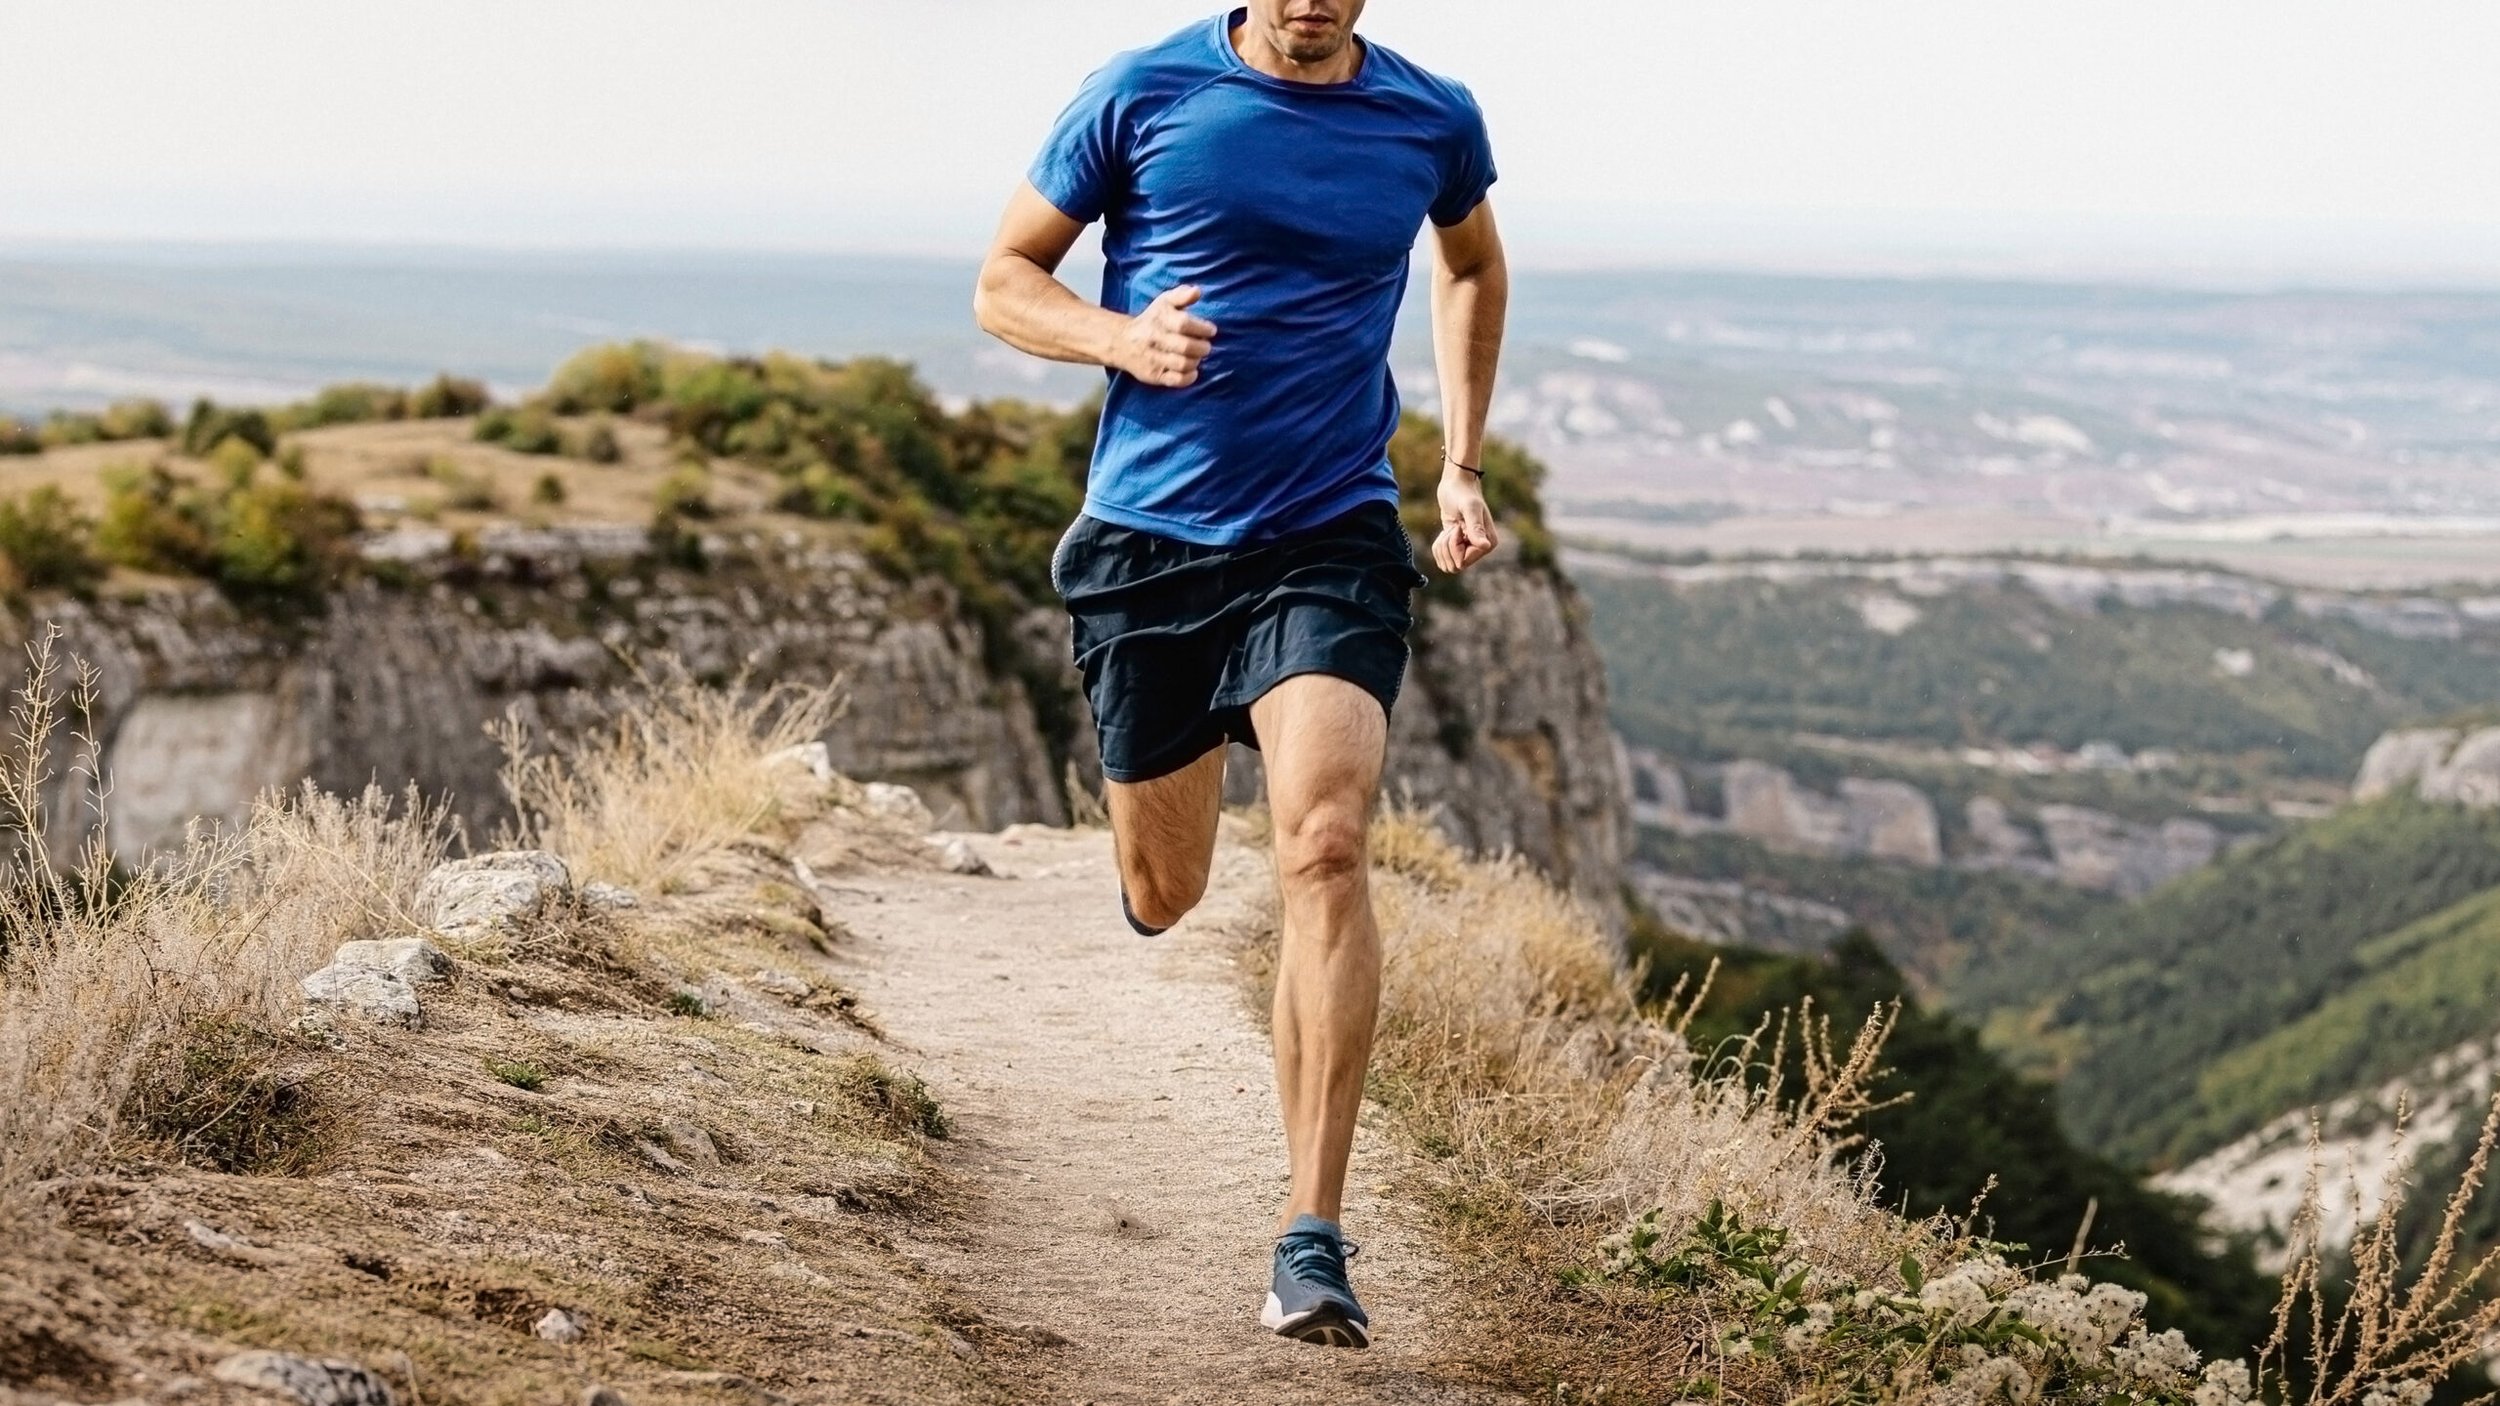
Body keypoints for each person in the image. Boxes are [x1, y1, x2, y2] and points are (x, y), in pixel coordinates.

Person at [972, 0, 1506, 1350]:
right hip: (1151, 548)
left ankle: (1310, 1238)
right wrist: (1119, 339)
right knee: (1171, 887)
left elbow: (1471, 267)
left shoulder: (1429, 117)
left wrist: (1457, 458)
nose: (1315, 1)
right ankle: (1160, 844)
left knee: (1325, 842)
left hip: (1328, 532)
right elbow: (1004, 279)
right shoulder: (1144, 92)